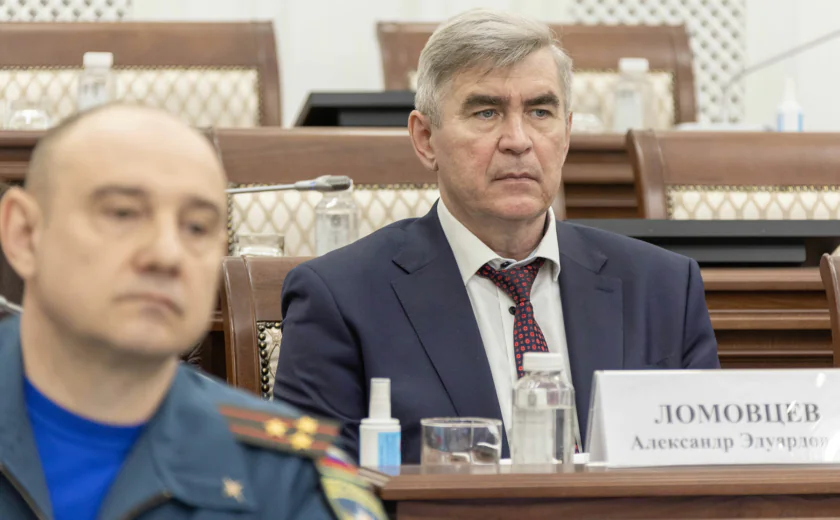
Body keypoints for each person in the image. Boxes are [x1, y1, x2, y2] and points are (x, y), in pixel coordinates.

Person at [275, 9, 720, 464]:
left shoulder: (663, 288)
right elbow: (310, 487)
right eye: (486, 112)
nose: (518, 140)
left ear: (567, 134)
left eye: (540, 112)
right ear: (425, 139)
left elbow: (709, 476)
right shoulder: (341, 299)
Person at [0, 104, 385, 520]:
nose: (168, 255)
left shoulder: (285, 475)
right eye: (123, 213)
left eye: (197, 227)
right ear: (24, 233)